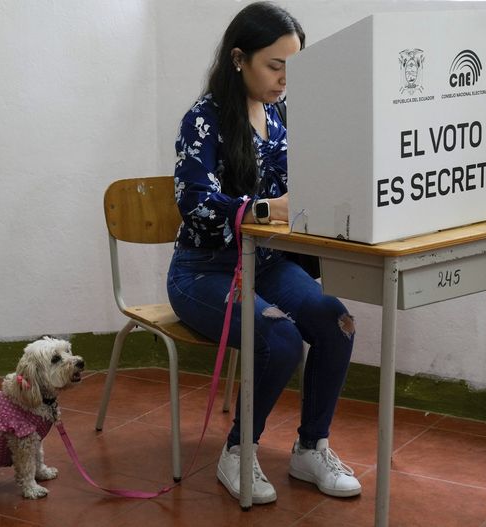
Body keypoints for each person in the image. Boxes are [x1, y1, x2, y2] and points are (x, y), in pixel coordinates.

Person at [166, 1, 360, 504]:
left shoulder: (282, 115)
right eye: (275, 66)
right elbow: (195, 206)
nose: (284, 79)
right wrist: (267, 209)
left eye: (293, 67)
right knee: (280, 338)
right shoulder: (203, 121)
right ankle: (238, 452)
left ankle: (310, 447)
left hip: (268, 263)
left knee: (335, 322)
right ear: (238, 58)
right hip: (204, 272)